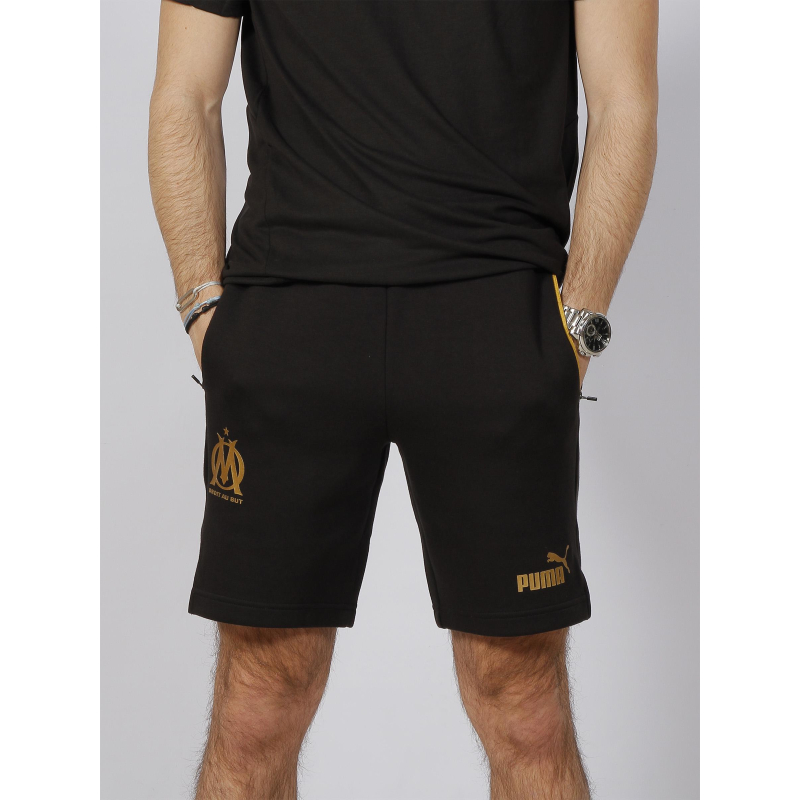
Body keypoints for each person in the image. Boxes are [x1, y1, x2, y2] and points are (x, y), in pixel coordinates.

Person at [148, 1, 658, 797]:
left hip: (495, 314)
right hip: (291, 314)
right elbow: (186, 93)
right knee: (257, 703)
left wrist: (575, 330)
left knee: (524, 707)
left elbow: (624, 99)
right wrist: (203, 312)